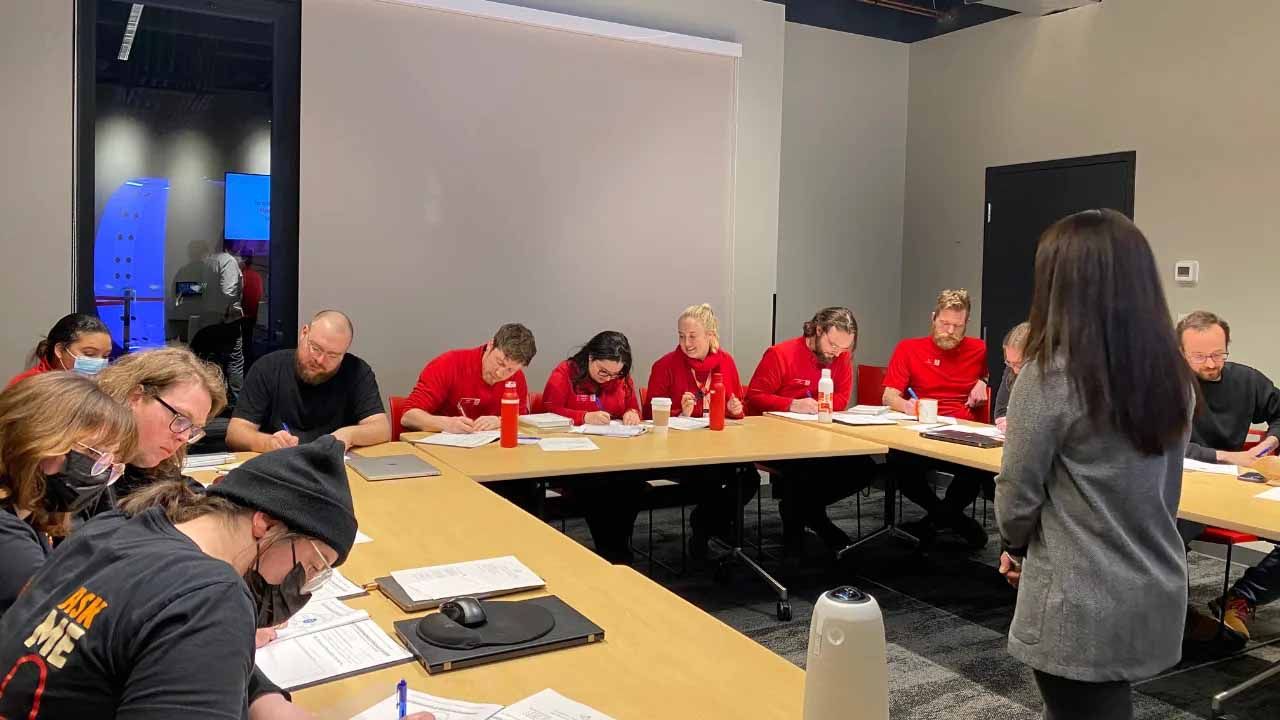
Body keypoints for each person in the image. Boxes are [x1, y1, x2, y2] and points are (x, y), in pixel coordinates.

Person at [0, 436, 430, 719]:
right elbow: (195, 627)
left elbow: (160, 648)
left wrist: (265, 699)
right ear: (265, 523)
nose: (303, 585)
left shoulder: (117, 527)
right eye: (315, 565)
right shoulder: (210, 598)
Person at [996, 209, 1192, 720]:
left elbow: (1018, 491)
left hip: (1077, 601)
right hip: (1154, 581)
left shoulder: (1050, 374)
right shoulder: (1172, 375)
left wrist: (1013, 546)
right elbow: (1166, 488)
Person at [1174, 310, 1280, 646]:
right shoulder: (1164, 386)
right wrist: (1228, 456)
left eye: (1218, 354)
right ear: (1180, 352)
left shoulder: (1246, 381)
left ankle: (1242, 598)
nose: (1211, 364)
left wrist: (1267, 444)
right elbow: (1163, 444)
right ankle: (1172, 618)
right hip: (1183, 483)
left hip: (1235, 482)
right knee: (1165, 531)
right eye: (1200, 356)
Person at [0, 372, 136, 613]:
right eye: (94, 453)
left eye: (110, 466)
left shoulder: (30, 516)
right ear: (39, 437)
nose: (99, 476)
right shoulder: (7, 536)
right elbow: (55, 613)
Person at [745, 307, 870, 556]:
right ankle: (807, 524)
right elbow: (755, 396)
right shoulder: (780, 354)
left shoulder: (841, 357)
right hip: (777, 437)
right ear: (818, 330)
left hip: (819, 436)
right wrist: (792, 404)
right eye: (833, 344)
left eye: (844, 348)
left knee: (863, 467)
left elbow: (841, 399)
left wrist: (820, 406)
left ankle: (800, 510)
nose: (837, 353)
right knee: (805, 469)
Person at [882, 289, 990, 549]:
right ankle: (951, 519)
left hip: (961, 432)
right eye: (944, 323)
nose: (950, 331)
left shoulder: (980, 349)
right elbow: (888, 396)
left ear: (966, 323)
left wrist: (983, 380)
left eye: (957, 326)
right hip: (920, 430)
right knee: (899, 462)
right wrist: (907, 406)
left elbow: (1002, 371)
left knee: (977, 468)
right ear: (933, 318)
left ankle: (933, 521)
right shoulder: (909, 348)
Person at [646, 304, 754, 558]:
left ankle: (706, 524)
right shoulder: (665, 365)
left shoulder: (726, 362)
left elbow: (737, 406)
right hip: (680, 452)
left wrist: (736, 408)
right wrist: (679, 413)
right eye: (681, 336)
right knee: (710, 479)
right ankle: (706, 534)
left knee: (748, 478)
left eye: (693, 336)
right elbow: (649, 414)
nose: (686, 343)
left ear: (710, 335)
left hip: (722, 447)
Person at [543, 331, 644, 563]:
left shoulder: (621, 377)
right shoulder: (564, 373)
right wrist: (583, 417)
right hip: (575, 461)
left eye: (615, 374)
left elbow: (633, 407)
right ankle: (613, 553)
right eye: (603, 372)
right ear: (590, 358)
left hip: (615, 458)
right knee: (600, 492)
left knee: (634, 487)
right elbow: (548, 412)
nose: (609, 378)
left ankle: (617, 548)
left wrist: (631, 413)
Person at [228, 311, 390, 452]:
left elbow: (381, 429)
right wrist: (268, 443)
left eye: (333, 355)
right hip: (280, 463)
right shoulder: (268, 368)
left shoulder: (357, 372)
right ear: (304, 333)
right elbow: (235, 433)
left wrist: (348, 435)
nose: (320, 360)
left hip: (334, 467)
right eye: (316, 348)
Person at [94, 347, 227, 504]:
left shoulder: (157, 473)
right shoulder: (79, 468)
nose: (184, 437)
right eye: (180, 418)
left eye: (193, 428)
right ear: (135, 396)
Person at [401, 323, 536, 433]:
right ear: (490, 345)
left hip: (489, 450)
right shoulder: (449, 364)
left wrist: (500, 421)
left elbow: (520, 420)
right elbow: (408, 416)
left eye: (510, 370)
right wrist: (446, 424)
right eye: (499, 362)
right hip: (442, 448)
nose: (500, 373)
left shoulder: (517, 378)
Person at [182, 241, 245, 405]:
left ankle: (214, 401)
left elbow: (200, 289)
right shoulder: (228, 261)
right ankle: (236, 403)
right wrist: (225, 313)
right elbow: (228, 292)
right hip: (226, 319)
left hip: (208, 318)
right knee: (234, 360)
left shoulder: (208, 263)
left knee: (213, 361)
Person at [7, 313, 113, 387]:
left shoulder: (102, 385)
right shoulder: (28, 386)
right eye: (89, 354)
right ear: (60, 350)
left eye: (105, 356)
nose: (99, 362)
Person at [993, 321, 1030, 433]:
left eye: (1019, 364)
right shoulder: (1011, 369)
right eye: (1009, 363)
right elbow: (1000, 412)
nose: (1015, 370)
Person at [240, 248, 265, 365]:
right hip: (252, 317)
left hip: (240, 317)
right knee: (248, 344)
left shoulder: (241, 276)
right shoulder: (257, 276)